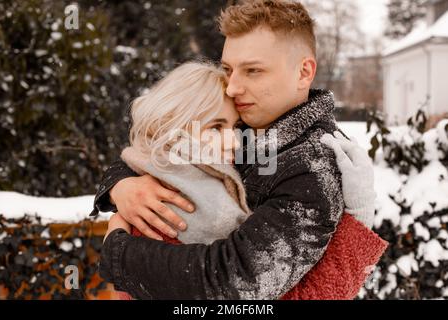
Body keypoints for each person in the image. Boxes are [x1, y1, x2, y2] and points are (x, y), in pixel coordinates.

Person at [94, 0, 386, 299]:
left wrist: (119, 254)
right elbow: (165, 141)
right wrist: (122, 185)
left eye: (253, 71)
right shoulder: (248, 120)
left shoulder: (311, 166)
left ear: (303, 72)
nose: (232, 87)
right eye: (228, 69)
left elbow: (235, 285)